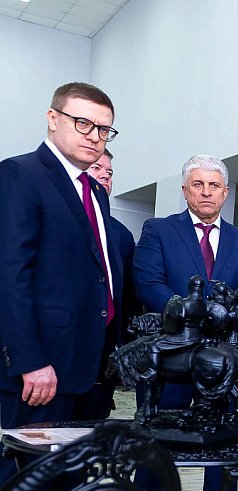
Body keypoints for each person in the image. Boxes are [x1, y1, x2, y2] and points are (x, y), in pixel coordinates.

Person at [134, 154, 238, 491]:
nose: (206, 192)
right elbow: (148, 283)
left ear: (225, 193)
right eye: (198, 184)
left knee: (225, 455)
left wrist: (227, 322)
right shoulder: (159, 230)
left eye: (214, 186)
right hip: (172, 359)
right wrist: (198, 316)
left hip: (221, 364)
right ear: (185, 190)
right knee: (156, 449)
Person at [0, 82, 130, 459]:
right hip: (42, 370)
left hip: (90, 370)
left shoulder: (95, 192)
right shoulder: (20, 174)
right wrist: (31, 361)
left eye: (104, 129)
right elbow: (10, 276)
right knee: (29, 481)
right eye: (83, 123)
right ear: (53, 119)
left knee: (72, 480)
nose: (94, 136)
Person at [86, 147, 142, 418]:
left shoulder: (122, 235)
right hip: (57, 357)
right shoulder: (56, 219)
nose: (105, 177)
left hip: (104, 357)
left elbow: (128, 298)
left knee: (93, 431)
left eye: (109, 173)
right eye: (96, 169)